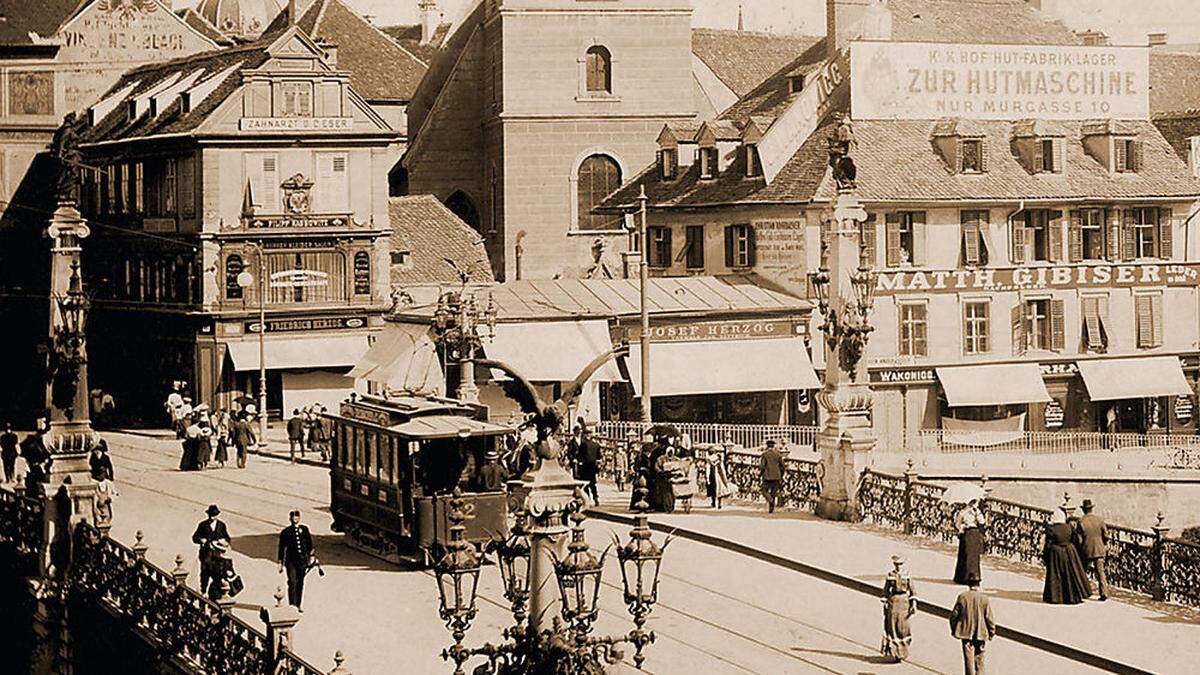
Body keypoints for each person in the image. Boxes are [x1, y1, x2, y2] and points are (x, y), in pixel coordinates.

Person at [1042, 509, 1092, 604]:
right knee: (1070, 573)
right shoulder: (1069, 527)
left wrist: (1046, 555)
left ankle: (1056, 597)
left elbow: (1048, 543)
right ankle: (1071, 597)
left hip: (1056, 552)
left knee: (1056, 574)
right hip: (1069, 551)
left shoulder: (1051, 528)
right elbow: (1075, 540)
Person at [949, 578, 995, 675]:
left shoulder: (962, 597)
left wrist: (954, 629)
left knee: (968, 659)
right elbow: (989, 618)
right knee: (980, 658)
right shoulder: (984, 598)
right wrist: (991, 632)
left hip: (966, 632)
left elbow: (954, 615)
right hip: (981, 632)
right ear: (979, 585)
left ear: (969, 585)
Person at [881, 554, 918, 663]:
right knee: (893, 626)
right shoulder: (890, 575)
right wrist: (885, 603)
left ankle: (904, 651)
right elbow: (886, 591)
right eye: (897, 564)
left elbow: (913, 591)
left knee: (903, 627)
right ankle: (896, 652)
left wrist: (914, 604)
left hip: (904, 602)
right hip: (893, 602)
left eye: (900, 564)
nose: (898, 567)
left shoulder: (907, 575)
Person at [277, 510, 314, 611]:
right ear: (290, 519)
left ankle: (298, 604)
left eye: (297, 518)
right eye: (293, 518)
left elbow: (310, 544)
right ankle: (292, 605)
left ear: (299, 518)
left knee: (300, 582)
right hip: (291, 562)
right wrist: (280, 562)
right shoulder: (286, 532)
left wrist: (312, 557)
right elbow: (281, 548)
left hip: (302, 561)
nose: (295, 520)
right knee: (292, 582)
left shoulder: (305, 529)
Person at [192, 504, 231, 595]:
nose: (212, 518)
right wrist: (201, 540)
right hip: (206, 554)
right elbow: (194, 537)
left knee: (218, 574)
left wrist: (224, 541)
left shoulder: (221, 525)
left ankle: (217, 593)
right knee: (205, 573)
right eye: (211, 515)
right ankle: (203, 591)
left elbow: (227, 538)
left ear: (217, 515)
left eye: (214, 516)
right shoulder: (202, 525)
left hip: (218, 554)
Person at [1077, 499, 1109, 601]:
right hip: (1099, 549)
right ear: (1091, 509)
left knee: (1082, 572)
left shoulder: (1081, 521)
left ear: (1083, 510)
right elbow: (1106, 535)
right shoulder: (1099, 520)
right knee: (1101, 573)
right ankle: (1104, 593)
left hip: (1086, 550)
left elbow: (1079, 540)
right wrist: (1102, 543)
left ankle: (1082, 592)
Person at [953, 500, 985, 585]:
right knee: (966, 555)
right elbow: (957, 524)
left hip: (975, 534)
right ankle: (963, 577)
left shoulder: (977, 512)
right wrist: (963, 527)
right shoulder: (962, 512)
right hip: (966, 534)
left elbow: (982, 522)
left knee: (974, 556)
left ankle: (974, 576)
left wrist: (977, 513)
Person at [576, 425, 601, 506]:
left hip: (585, 467)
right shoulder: (596, 444)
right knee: (593, 484)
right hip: (593, 467)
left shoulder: (583, 444)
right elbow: (599, 457)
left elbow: (580, 455)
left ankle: (588, 499)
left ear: (586, 435)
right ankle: (596, 497)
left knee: (586, 484)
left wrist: (579, 461)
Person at [760, 440, 784, 513]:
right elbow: (782, 466)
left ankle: (770, 500)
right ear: (774, 446)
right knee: (773, 493)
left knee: (764, 490)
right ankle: (771, 508)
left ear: (767, 446)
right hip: (776, 476)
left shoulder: (765, 454)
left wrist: (760, 474)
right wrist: (781, 474)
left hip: (767, 476)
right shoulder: (778, 454)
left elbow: (762, 466)